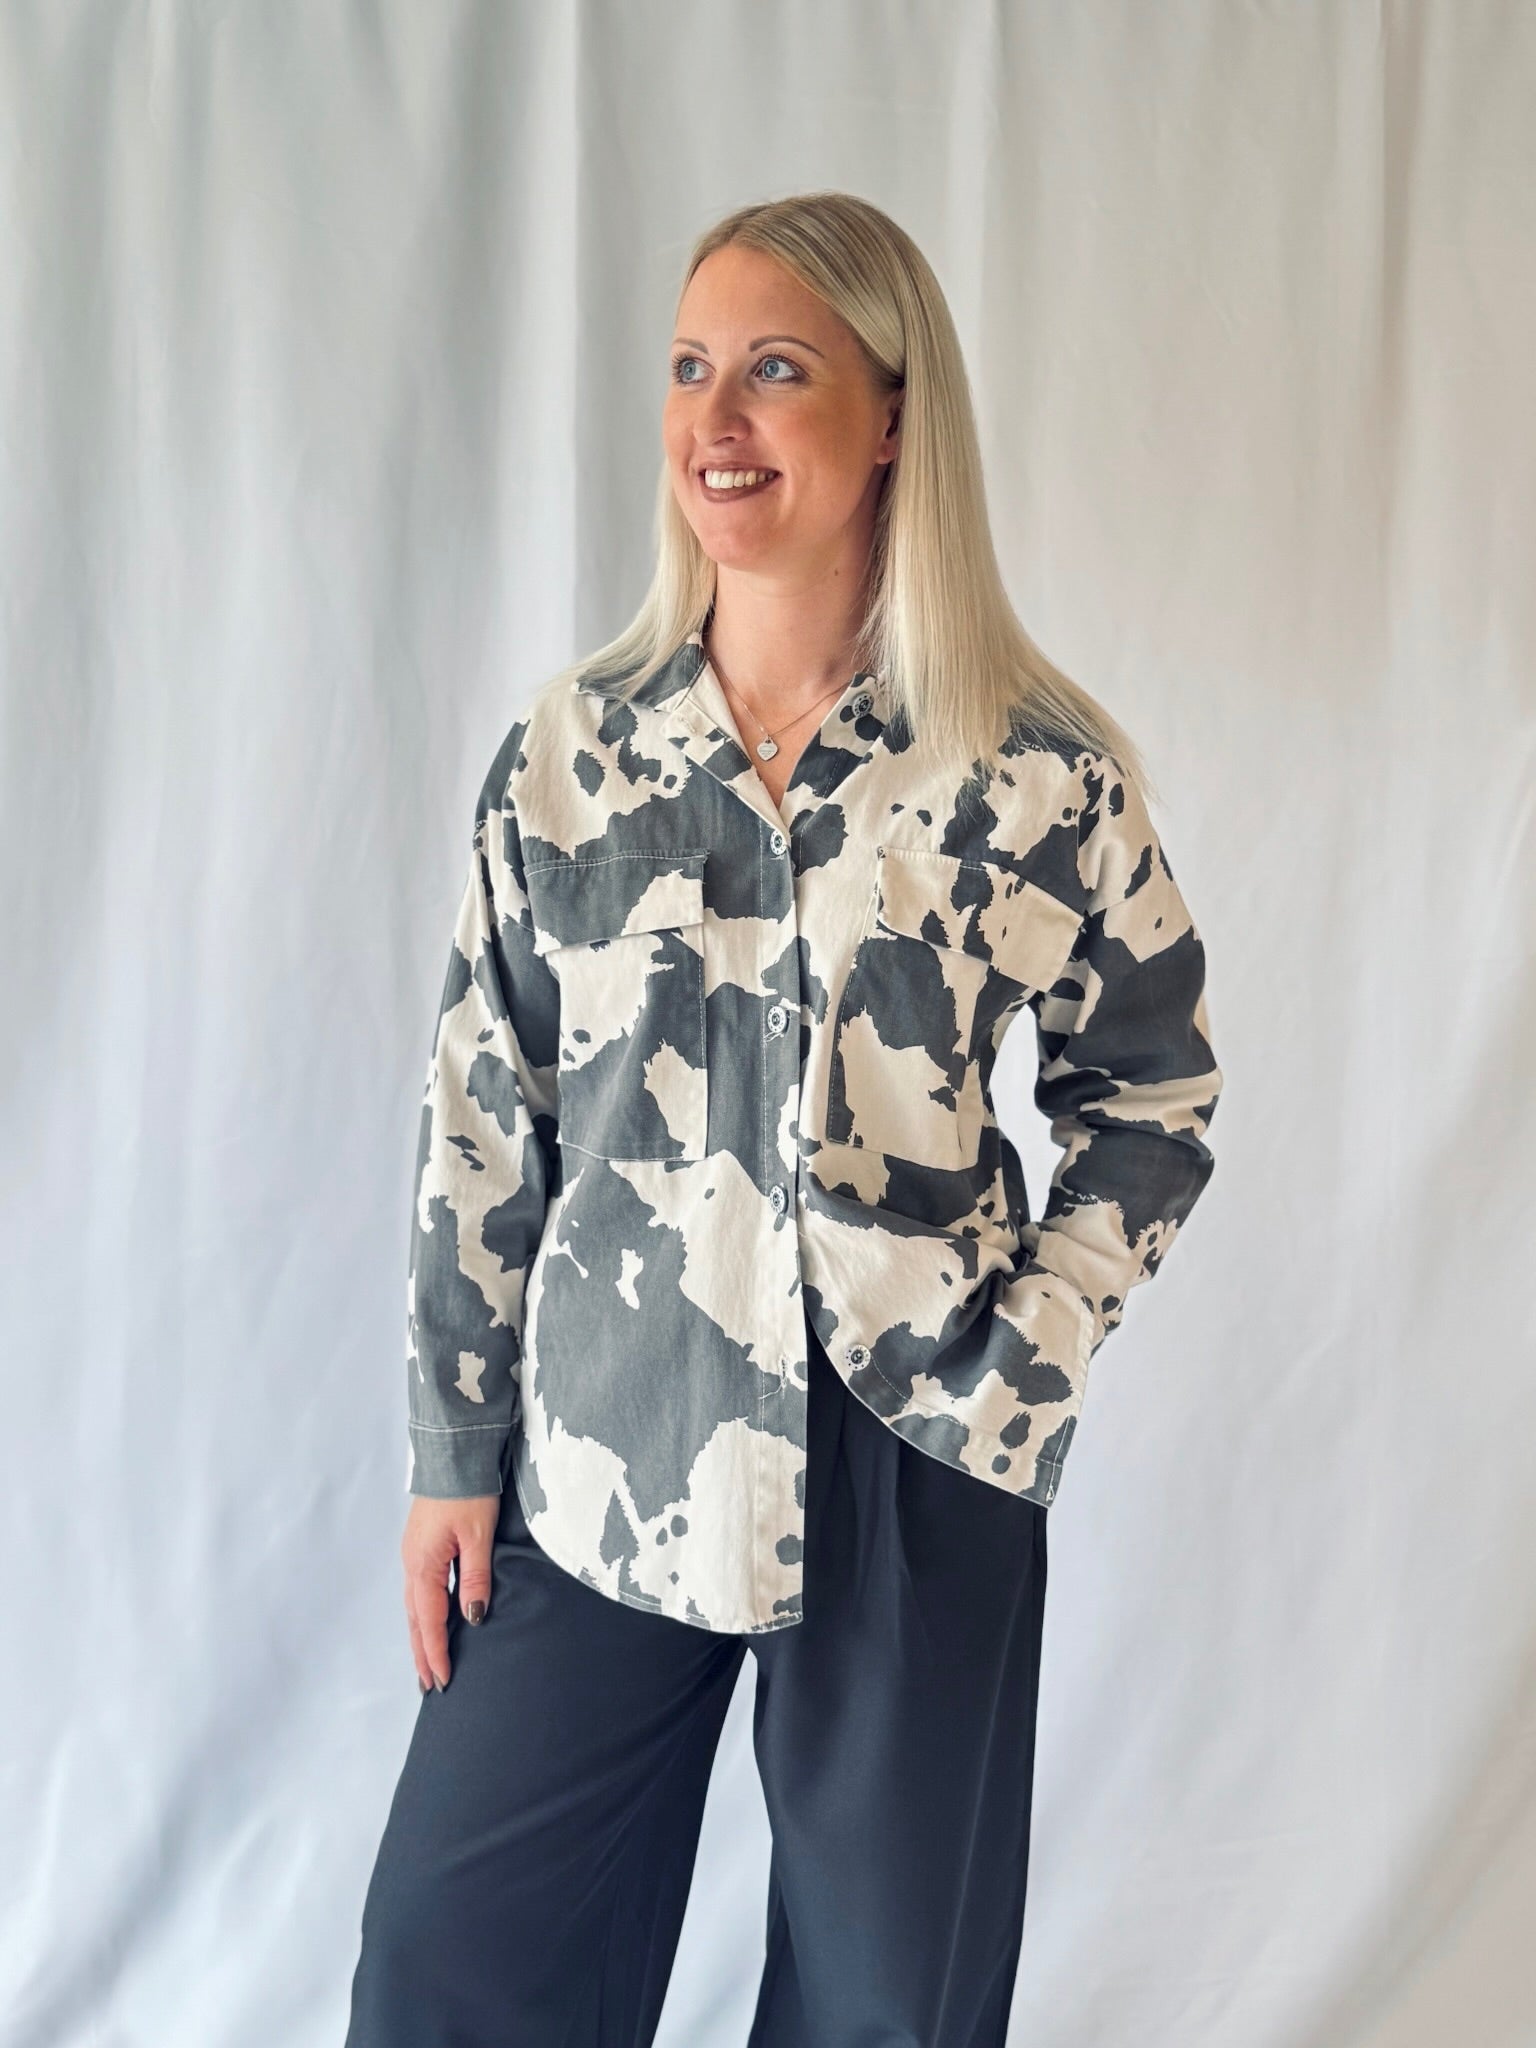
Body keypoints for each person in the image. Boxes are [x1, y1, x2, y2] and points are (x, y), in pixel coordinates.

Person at [344, 189, 1223, 2047]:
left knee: (886, 2008)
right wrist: (452, 1445)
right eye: (688, 371)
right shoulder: (573, 757)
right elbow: (484, 1116)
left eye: (774, 371)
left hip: (914, 1455)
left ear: (893, 414)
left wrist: (1026, 1361)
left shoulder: (1030, 774)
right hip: (609, 1441)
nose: (715, 420)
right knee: (453, 1963)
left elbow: (1152, 1090)